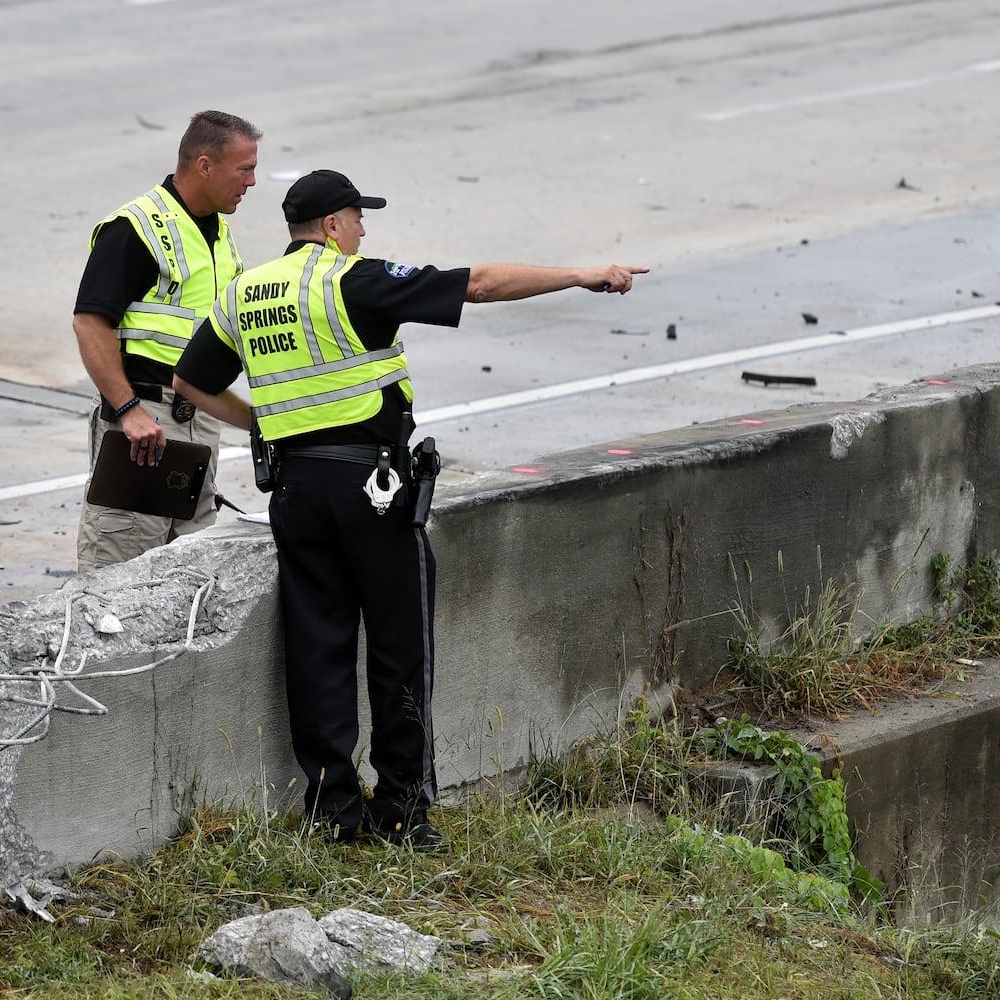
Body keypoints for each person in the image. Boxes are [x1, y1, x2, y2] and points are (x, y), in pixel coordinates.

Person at [171, 169, 646, 846]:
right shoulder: (350, 279)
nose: (364, 230)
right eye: (358, 219)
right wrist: (578, 275)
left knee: (317, 651)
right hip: (372, 492)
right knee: (399, 649)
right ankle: (400, 812)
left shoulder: (242, 294)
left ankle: (331, 813)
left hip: (296, 494)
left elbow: (189, 382)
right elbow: (477, 284)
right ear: (333, 225)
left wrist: (264, 424)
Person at [72, 110, 262, 573]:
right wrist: (127, 410)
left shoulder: (219, 235)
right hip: (145, 431)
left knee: (184, 581)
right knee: (117, 581)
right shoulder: (135, 228)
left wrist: (259, 421)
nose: (252, 182)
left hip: (196, 429)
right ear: (204, 165)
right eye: (245, 169)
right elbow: (89, 324)